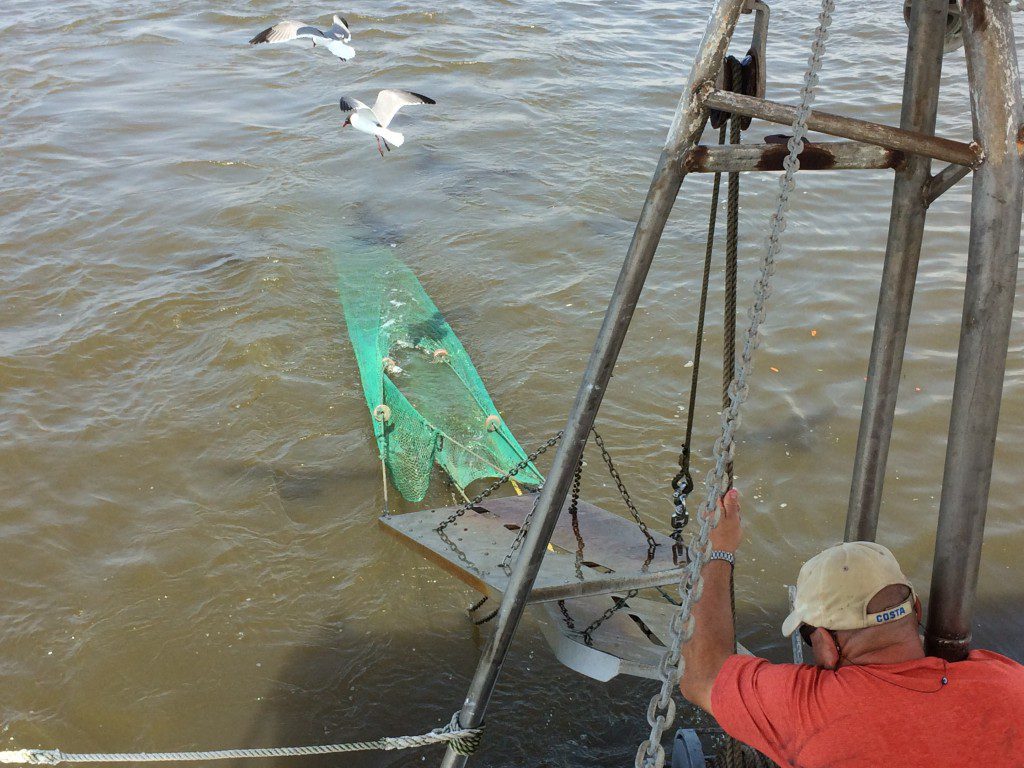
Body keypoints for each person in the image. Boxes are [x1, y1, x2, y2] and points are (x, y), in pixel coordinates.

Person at [678, 488, 1024, 767]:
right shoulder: (1009, 684)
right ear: (916, 609)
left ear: (826, 641)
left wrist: (719, 550)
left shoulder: (809, 708)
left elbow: (702, 677)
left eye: (808, 636)